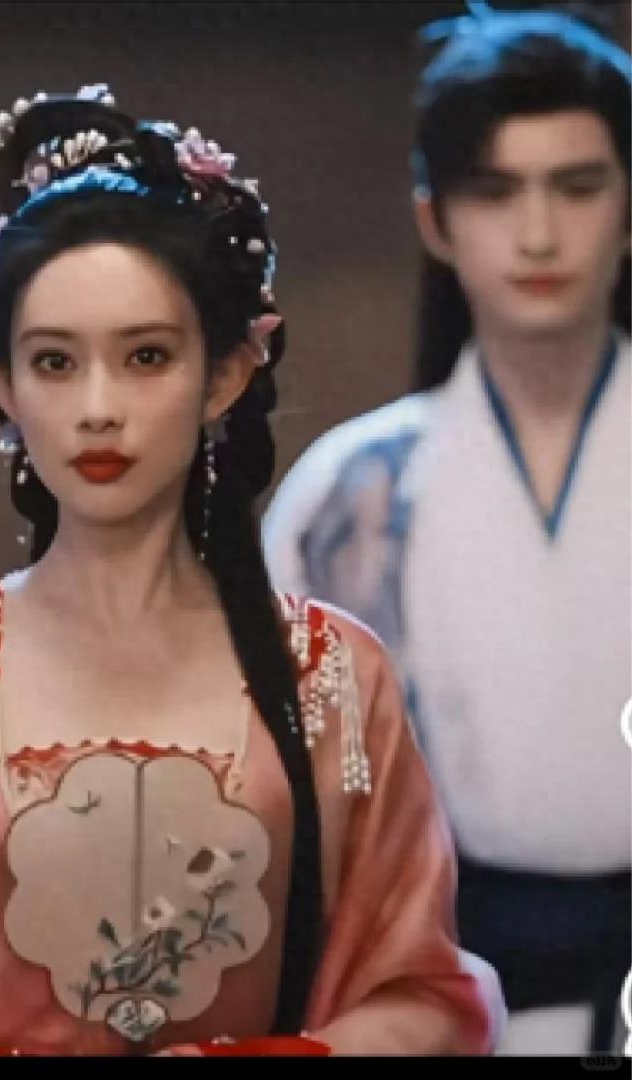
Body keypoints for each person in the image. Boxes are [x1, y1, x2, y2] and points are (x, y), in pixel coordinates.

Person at [0, 87, 500, 1056]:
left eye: (146, 357)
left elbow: (421, 997)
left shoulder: (330, 674)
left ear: (225, 374)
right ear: (1, 383)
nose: (97, 408)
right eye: (53, 363)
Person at [262, 4, 630, 1055]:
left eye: (577, 186)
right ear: (434, 219)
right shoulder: (347, 494)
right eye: (494, 191)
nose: (538, 234)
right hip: (440, 978)